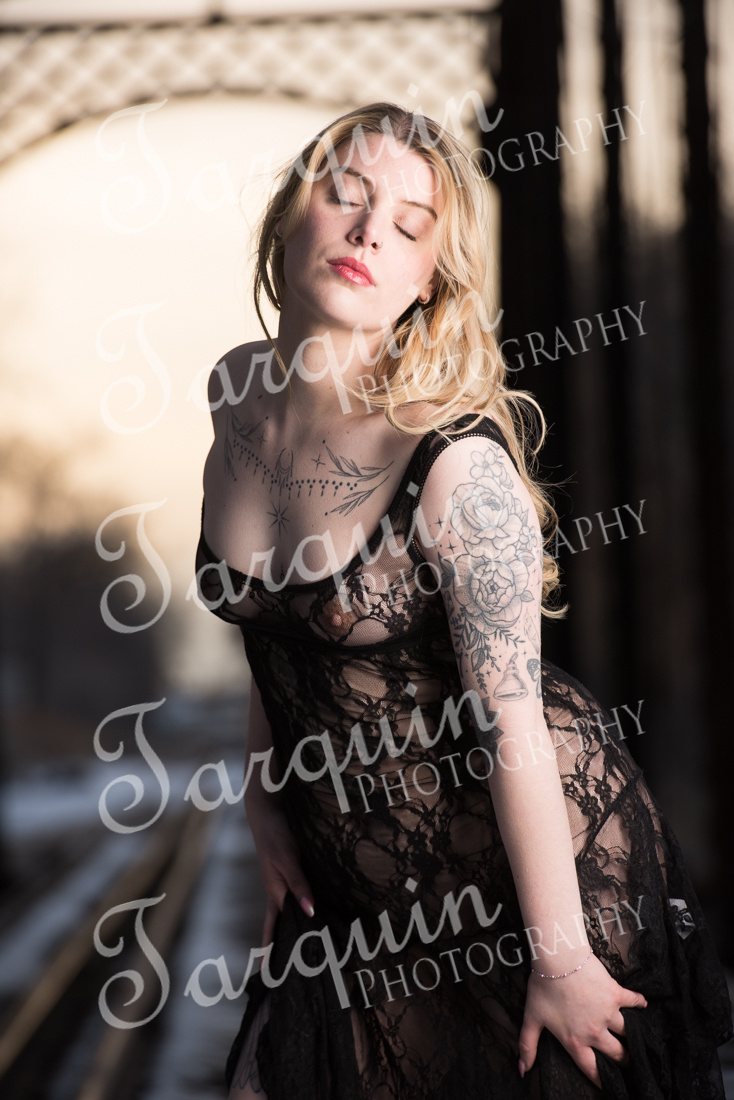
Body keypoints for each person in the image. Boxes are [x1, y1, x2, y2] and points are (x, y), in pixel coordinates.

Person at [195, 102, 733, 1099]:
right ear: (288, 215)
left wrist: (561, 960)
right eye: (345, 196)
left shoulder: (455, 465)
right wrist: (265, 793)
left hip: (510, 882)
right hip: (348, 880)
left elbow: (510, 718)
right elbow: (276, 625)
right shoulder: (236, 396)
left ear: (429, 279)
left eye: (408, 227)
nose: (368, 233)